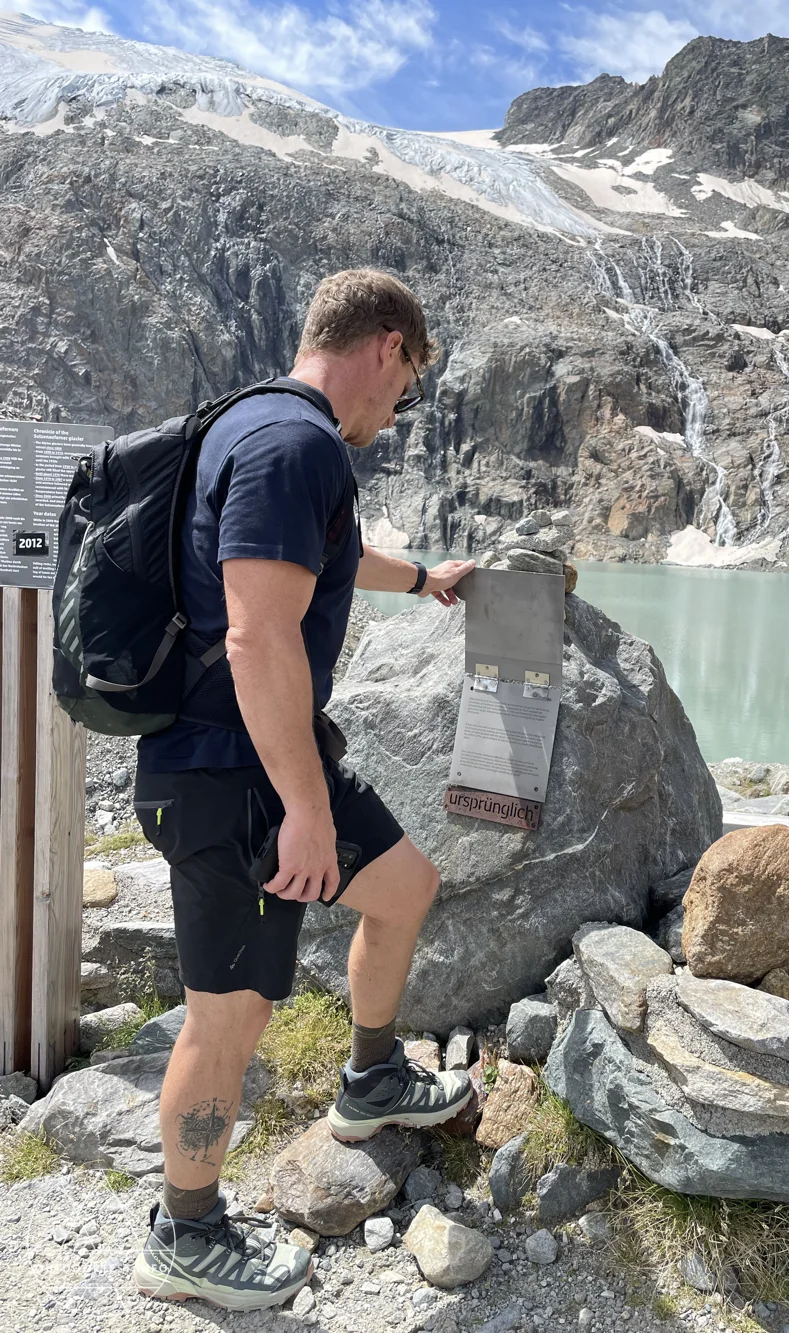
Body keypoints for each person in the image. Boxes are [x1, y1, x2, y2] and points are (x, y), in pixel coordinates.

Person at [131, 269, 476, 1311]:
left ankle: (371, 1076)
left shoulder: (264, 426)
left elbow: (315, 561)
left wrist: (423, 581)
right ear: (387, 346)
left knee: (404, 884)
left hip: (268, 764)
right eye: (407, 386)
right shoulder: (298, 443)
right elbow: (258, 630)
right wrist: (307, 810)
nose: (397, 410)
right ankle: (185, 1233)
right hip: (232, 778)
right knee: (227, 1017)